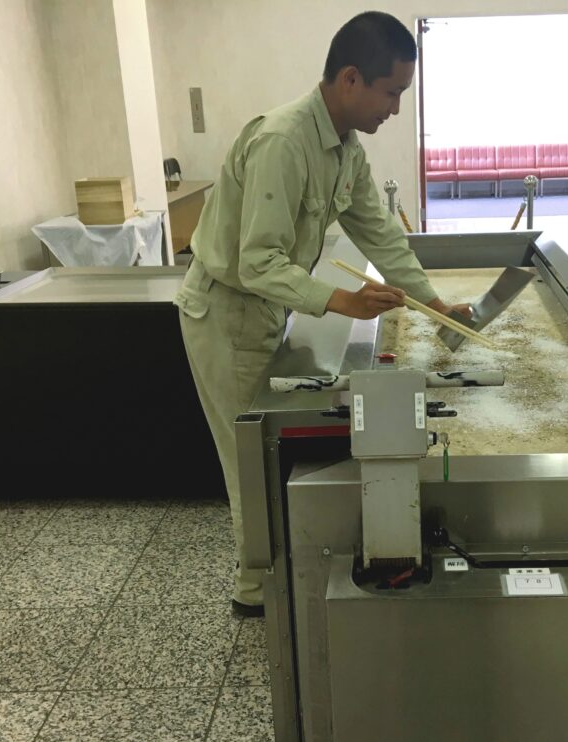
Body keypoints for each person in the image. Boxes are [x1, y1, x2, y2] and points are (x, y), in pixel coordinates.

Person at [173, 11, 468, 616]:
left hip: (264, 310)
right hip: (226, 314)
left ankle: (279, 569)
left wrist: (436, 306)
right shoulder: (284, 141)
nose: (395, 107)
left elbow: (380, 233)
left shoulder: (344, 148)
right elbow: (257, 262)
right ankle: (255, 594)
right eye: (392, 93)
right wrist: (343, 300)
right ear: (352, 79)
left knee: (265, 452)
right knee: (248, 460)